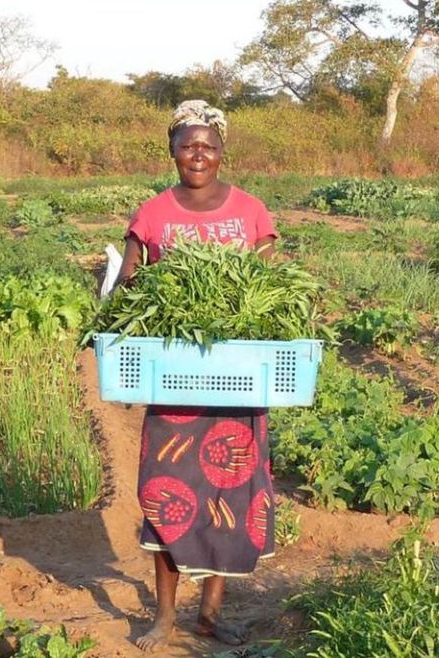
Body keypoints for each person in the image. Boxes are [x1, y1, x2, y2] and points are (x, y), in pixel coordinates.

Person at [115, 99, 279, 652]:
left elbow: (274, 293)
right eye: (188, 144)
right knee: (168, 498)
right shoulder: (153, 213)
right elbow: (127, 285)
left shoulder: (252, 211)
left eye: (208, 144)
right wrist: (125, 292)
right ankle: (163, 617)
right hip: (175, 384)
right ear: (172, 149)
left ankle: (209, 614)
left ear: (223, 148)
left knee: (229, 500)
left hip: (235, 383)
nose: (198, 154)